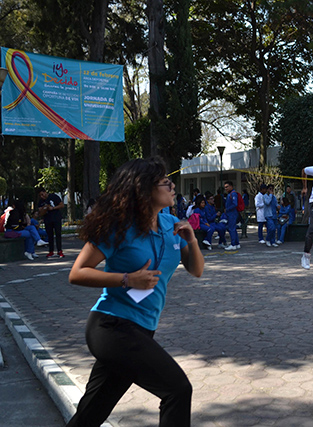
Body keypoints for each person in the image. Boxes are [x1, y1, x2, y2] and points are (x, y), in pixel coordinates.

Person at [65, 157, 204, 427]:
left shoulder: (171, 225)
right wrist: (127, 279)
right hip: (111, 326)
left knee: (92, 413)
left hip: (142, 329)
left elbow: (195, 270)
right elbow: (77, 273)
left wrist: (192, 240)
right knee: (177, 389)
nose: (172, 187)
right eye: (165, 183)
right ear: (144, 189)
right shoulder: (119, 227)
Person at [36, 187, 65, 258]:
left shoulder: (54, 197)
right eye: (40, 195)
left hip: (56, 218)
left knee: (58, 234)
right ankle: (51, 251)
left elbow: (61, 205)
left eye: (42, 194)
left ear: (45, 192)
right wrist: (45, 209)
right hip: (47, 219)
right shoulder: (41, 202)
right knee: (50, 235)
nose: (42, 196)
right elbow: (40, 211)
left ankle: (59, 251)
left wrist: (53, 208)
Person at [223, 181, 241, 250]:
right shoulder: (230, 194)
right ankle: (236, 243)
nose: (226, 188)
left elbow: (235, 204)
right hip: (230, 213)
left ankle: (233, 244)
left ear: (231, 186)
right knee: (232, 229)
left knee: (231, 229)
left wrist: (227, 209)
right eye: (225, 187)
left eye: (227, 187)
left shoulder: (233, 194)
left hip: (232, 214)